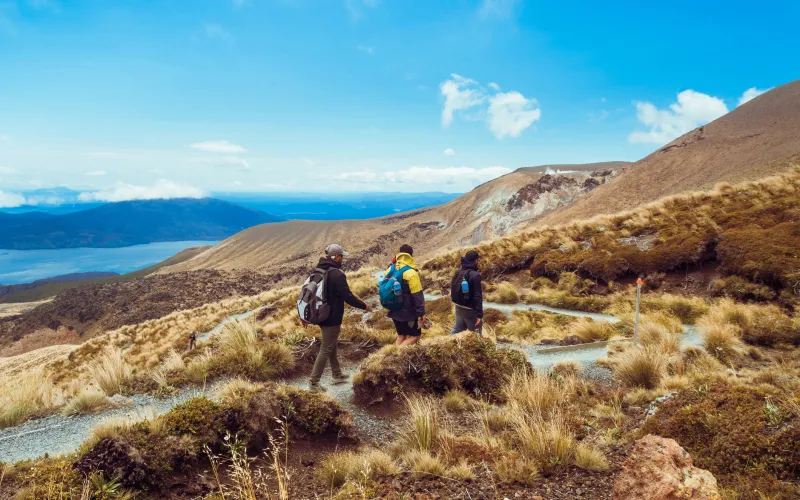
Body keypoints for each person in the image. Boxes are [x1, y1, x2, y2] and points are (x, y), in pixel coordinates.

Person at [308, 244, 369, 392]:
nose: (342, 259)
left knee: (331, 345)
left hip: (320, 315)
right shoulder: (337, 274)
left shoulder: (318, 271)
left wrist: (306, 317)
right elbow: (347, 296)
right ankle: (313, 383)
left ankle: (337, 374)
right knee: (326, 348)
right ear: (336, 257)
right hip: (332, 317)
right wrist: (364, 306)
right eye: (341, 256)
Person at [385, 244, 427, 346]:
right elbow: (417, 295)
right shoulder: (411, 272)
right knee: (415, 336)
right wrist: (421, 313)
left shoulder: (390, 269)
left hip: (394, 308)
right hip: (408, 313)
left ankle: (394, 356)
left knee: (401, 335)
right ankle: (398, 355)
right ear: (411, 256)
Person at [450, 250, 483, 336]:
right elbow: (477, 296)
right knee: (476, 335)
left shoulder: (458, 272)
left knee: (457, 330)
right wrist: (479, 315)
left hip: (458, 306)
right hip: (470, 310)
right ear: (475, 261)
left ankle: (442, 343)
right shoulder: (475, 275)